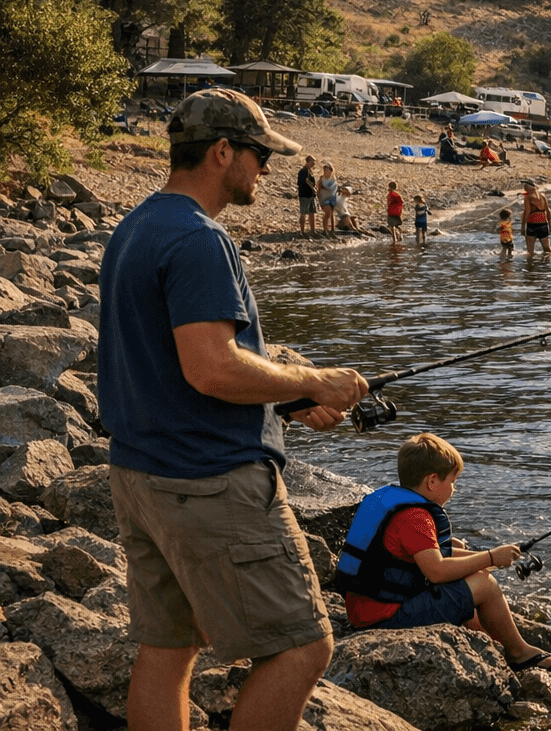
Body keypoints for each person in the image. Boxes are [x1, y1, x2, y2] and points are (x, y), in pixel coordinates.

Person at [96, 88, 369, 731]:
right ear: (222, 153)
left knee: (168, 646)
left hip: (140, 473)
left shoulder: (136, 227)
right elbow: (212, 368)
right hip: (207, 479)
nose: (266, 168)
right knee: (303, 645)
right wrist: (316, 379)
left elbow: (166, 362)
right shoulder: (198, 239)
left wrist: (290, 399)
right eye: (257, 154)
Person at [336, 433, 551, 672]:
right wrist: (489, 558)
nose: (454, 489)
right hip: (386, 619)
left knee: (470, 568)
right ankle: (519, 654)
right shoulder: (415, 517)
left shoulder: (393, 503)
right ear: (432, 481)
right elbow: (436, 571)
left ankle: (494, 645)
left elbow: (420, 558)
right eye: (453, 481)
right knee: (485, 584)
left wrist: (488, 557)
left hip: (364, 610)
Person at [520, 179, 551, 256]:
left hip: (532, 225)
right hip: (543, 225)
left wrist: (523, 226)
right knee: (547, 249)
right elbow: (548, 211)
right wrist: (550, 224)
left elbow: (526, 212)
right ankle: (546, 265)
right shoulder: (542, 196)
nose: (524, 187)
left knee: (530, 252)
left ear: (528, 187)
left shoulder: (527, 197)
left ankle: (530, 266)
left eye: (525, 186)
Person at [297, 155, 318, 234]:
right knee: (303, 213)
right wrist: (313, 188)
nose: (314, 164)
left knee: (312, 212)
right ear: (308, 162)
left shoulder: (309, 170)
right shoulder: (304, 170)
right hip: (304, 194)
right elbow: (306, 180)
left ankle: (313, 230)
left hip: (311, 195)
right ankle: (302, 231)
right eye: (313, 162)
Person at [317, 162, 339, 234]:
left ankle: (332, 229)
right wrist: (318, 198)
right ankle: (325, 229)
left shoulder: (333, 179)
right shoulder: (321, 179)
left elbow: (333, 188)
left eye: (327, 170)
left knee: (332, 214)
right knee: (327, 213)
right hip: (324, 198)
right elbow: (319, 189)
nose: (326, 172)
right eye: (325, 170)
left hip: (332, 198)